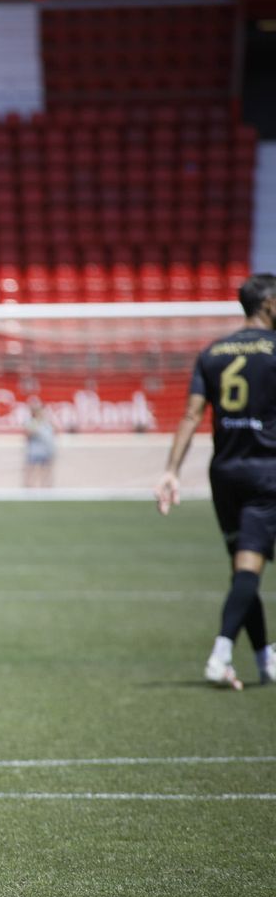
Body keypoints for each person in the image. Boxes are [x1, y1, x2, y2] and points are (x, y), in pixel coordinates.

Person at [156, 273, 276, 690]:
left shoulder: (213, 352)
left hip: (224, 473)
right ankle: (221, 653)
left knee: (243, 569)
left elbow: (191, 415)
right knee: (248, 568)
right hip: (266, 471)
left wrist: (171, 470)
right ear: (270, 304)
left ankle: (265, 658)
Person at [23, 398, 56, 488]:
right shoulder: (31, 421)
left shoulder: (46, 422)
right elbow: (28, 433)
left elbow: (54, 432)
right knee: (31, 469)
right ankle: (29, 486)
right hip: (34, 449)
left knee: (45, 469)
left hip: (46, 449)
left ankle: (46, 486)